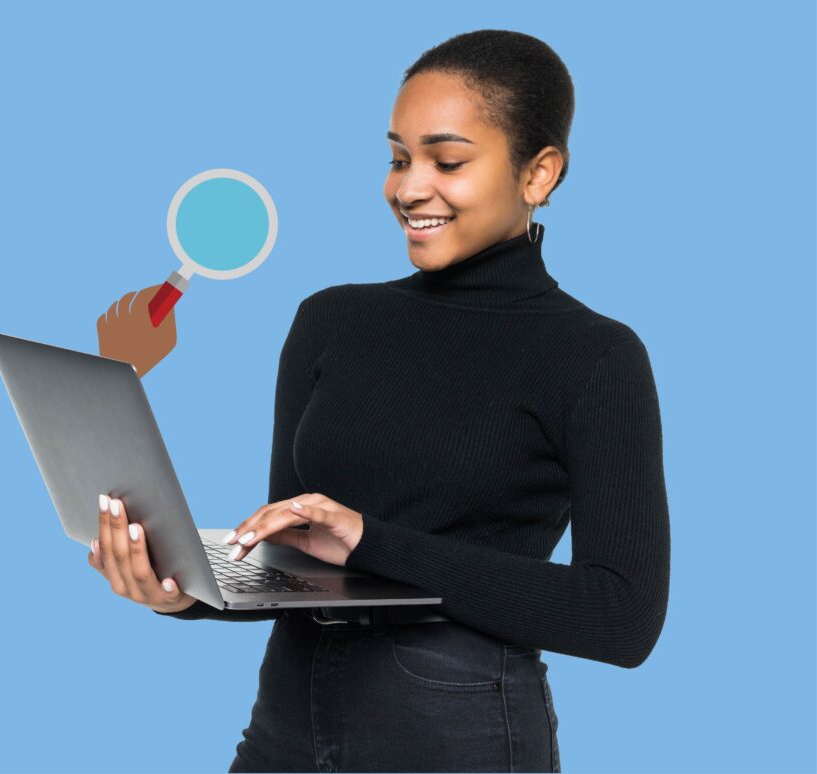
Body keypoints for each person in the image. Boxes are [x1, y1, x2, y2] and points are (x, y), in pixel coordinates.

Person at [88, 29, 670, 773]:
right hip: (285, 727)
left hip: (457, 737)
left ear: (539, 173)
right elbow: (287, 558)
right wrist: (181, 592)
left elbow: (620, 618)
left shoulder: (595, 356)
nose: (407, 187)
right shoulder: (332, 319)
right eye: (398, 158)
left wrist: (372, 541)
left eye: (447, 160)